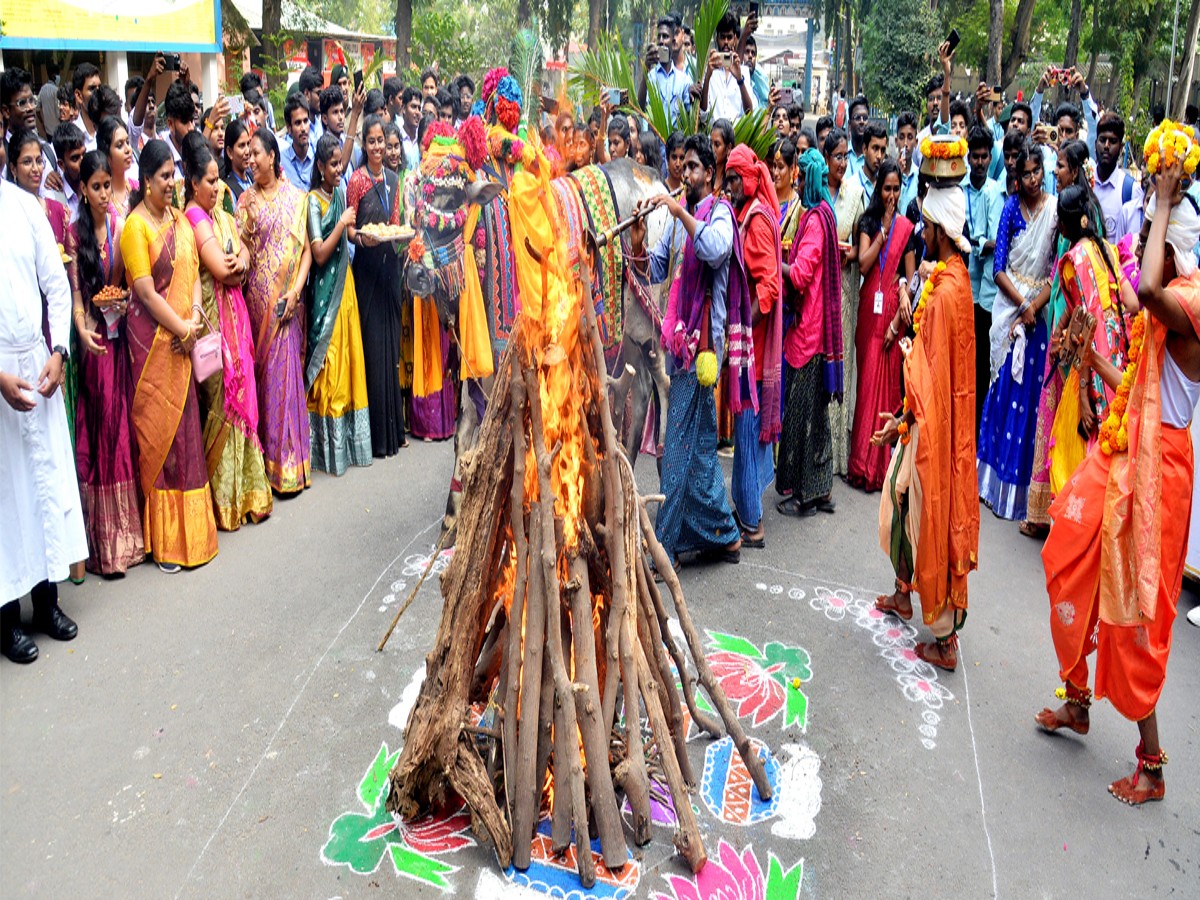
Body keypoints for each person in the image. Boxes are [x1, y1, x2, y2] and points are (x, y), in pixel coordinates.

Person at [1037, 152, 1200, 806]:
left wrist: (1160, 201)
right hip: (1123, 449)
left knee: (1133, 615)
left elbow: (1146, 294)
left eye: (1152, 247)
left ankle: (1152, 764)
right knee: (1067, 553)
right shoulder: (1169, 306)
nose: (1138, 258)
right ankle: (1077, 698)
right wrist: (1093, 357)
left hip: (1156, 471)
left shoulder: (1187, 308)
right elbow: (1134, 381)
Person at [871, 181, 979, 671]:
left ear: (941, 230)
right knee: (901, 504)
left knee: (918, 515)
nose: (921, 235)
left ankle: (944, 641)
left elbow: (927, 372)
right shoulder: (955, 279)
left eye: (927, 228)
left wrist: (902, 417)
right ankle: (902, 592)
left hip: (931, 424)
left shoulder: (941, 296)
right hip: (936, 420)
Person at [630, 134, 748, 566]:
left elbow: (715, 251)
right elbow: (656, 269)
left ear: (710, 173)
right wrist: (641, 241)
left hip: (702, 352)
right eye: (685, 167)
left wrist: (680, 213)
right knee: (697, 448)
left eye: (696, 167)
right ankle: (725, 535)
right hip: (677, 344)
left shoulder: (720, 215)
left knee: (677, 447)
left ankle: (666, 546)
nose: (688, 174)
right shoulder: (684, 220)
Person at [0, 174, 88, 663]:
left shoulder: (24, 205)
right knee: (7, 503)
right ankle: (7, 620)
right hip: (1, 373)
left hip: (37, 363)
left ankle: (47, 604)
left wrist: (58, 350)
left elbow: (56, 286)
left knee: (44, 489)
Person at [120, 139, 219, 572]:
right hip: (153, 346)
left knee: (187, 435)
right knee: (160, 438)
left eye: (172, 174)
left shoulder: (179, 220)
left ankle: (194, 537)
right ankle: (165, 542)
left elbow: (194, 272)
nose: (172, 183)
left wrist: (194, 314)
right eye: (164, 177)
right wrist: (180, 328)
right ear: (145, 182)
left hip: (183, 337)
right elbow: (143, 290)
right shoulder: (135, 228)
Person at [182, 134, 273, 530]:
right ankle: (226, 502)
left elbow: (245, 253)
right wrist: (236, 263)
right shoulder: (195, 218)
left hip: (235, 318)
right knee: (222, 404)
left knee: (243, 400)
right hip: (214, 329)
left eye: (220, 179)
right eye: (210, 180)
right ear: (193, 183)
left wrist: (240, 260)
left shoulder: (220, 213)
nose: (218, 187)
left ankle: (251, 495)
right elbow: (221, 269)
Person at [66, 150, 144, 576]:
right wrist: (82, 330)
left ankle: (128, 540)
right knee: (101, 431)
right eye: (93, 187)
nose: (101, 194)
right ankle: (103, 546)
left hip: (119, 337)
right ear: (83, 189)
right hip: (95, 341)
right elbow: (77, 297)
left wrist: (124, 300)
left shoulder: (120, 226)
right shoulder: (76, 236)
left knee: (122, 428)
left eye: (103, 187)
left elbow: (130, 284)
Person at [977, 141, 1057, 522]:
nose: (1031, 179)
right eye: (1024, 174)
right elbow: (999, 267)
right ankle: (993, 487)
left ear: (1044, 171)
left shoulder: (1053, 212)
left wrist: (1036, 307)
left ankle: (1023, 496)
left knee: (1029, 402)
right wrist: (1021, 307)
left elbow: (1055, 272)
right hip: (1010, 311)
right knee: (1003, 392)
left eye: (1036, 172)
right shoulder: (1011, 208)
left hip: (1038, 319)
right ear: (1016, 176)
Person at [1025, 140, 1098, 535]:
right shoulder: (1088, 235)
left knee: (1056, 426)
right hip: (1074, 344)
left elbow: (1081, 303)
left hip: (1074, 353)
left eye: (1060, 167)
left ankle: (1047, 517)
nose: (1055, 172)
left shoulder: (1077, 253)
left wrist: (1064, 337)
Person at [238, 129, 313, 494]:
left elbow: (306, 252)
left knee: (285, 382)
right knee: (264, 382)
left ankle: (289, 467)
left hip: (286, 303)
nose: (250, 160)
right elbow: (246, 247)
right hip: (256, 306)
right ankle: (267, 466)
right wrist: (238, 258)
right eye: (248, 154)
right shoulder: (245, 200)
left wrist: (296, 292)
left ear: (272, 156)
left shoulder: (295, 199)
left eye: (256, 153)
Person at [776, 147, 842, 516]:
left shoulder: (815, 220)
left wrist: (776, 262)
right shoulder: (823, 215)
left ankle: (804, 496)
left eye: (800, 176)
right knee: (817, 416)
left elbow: (800, 274)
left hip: (808, 332)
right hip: (816, 330)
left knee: (801, 414)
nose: (797, 182)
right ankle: (822, 490)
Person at [725, 143, 783, 547]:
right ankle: (748, 508)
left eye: (733, 178)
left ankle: (752, 522)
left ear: (748, 179)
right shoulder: (747, 214)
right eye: (727, 177)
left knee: (745, 432)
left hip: (753, 347)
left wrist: (745, 327)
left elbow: (770, 286)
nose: (728, 185)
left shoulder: (757, 221)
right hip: (748, 343)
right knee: (745, 433)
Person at [306, 134, 373, 474]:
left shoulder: (341, 194)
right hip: (325, 289)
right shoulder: (313, 202)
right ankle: (326, 451)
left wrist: (363, 235)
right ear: (319, 167)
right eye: (332, 165)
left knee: (347, 359)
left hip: (344, 287)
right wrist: (343, 222)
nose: (337, 170)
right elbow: (319, 254)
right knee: (330, 364)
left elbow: (350, 235)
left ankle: (348, 446)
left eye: (340, 165)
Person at [848, 159, 916, 491]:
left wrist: (899, 311)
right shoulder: (870, 221)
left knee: (888, 389)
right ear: (879, 189)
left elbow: (911, 276)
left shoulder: (908, 227)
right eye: (886, 188)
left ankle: (882, 470)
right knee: (867, 390)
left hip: (892, 317)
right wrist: (883, 231)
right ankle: (861, 464)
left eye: (896, 189)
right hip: (868, 314)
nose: (891, 194)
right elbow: (863, 264)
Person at [346, 115, 407, 456]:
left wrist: (401, 239)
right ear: (364, 145)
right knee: (373, 353)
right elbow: (350, 228)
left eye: (381, 141)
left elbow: (395, 225)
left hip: (390, 271)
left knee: (392, 353)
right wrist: (362, 239)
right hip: (367, 272)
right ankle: (374, 439)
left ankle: (393, 432)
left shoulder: (394, 180)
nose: (377, 147)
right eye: (371, 142)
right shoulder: (357, 181)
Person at [824, 127, 865, 477]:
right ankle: (816, 452)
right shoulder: (817, 190)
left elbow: (861, 243)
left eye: (846, 156)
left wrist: (850, 254)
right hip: (818, 290)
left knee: (842, 367)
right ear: (826, 158)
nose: (842, 162)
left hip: (845, 289)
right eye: (837, 156)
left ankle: (837, 455)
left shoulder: (855, 193)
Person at [964, 125, 1005, 425]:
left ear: (990, 157)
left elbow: (995, 241)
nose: (979, 162)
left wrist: (975, 242)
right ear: (967, 158)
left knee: (983, 365)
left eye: (983, 157)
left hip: (989, 294)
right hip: (965, 289)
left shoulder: (995, 192)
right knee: (965, 363)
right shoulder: (959, 189)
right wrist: (981, 243)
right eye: (974, 157)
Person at [1093, 112, 1142, 242]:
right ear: (1095, 144)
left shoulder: (1130, 190)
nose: (1106, 146)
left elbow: (1132, 247)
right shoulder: (1085, 183)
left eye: (1113, 141)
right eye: (1102, 140)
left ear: (1121, 148)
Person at [700, 11, 755, 123]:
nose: (725, 42)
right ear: (717, 38)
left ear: (735, 39)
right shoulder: (708, 70)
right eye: (722, 37)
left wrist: (740, 80)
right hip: (713, 137)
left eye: (729, 37)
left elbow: (749, 112)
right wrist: (707, 77)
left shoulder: (743, 71)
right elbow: (703, 114)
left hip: (736, 137)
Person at [640, 16, 692, 128]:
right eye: (659, 37)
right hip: (653, 143)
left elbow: (690, 116)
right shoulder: (650, 77)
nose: (661, 41)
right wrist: (646, 67)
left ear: (673, 43)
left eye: (665, 36)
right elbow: (640, 106)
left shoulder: (683, 80)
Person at [97, 116, 137, 218]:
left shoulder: (137, 187)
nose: (128, 149)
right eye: (119, 145)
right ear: (106, 154)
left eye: (127, 142)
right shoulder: (102, 199)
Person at [772, 139, 802, 250]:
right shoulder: (765, 196)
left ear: (792, 169)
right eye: (774, 166)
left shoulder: (798, 205)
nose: (775, 173)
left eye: (780, 167)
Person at [281, 95, 314, 191]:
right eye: (298, 123)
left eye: (306, 121)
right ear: (289, 127)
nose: (303, 128)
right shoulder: (281, 162)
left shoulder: (319, 157)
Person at [71, 62, 102, 150]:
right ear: (78, 95)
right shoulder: (71, 136)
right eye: (92, 88)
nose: (98, 93)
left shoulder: (112, 130)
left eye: (99, 87)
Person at [222, 119, 253, 204]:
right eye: (241, 146)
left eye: (248, 144)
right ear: (230, 152)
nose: (247, 151)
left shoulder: (253, 177)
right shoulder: (227, 190)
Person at [710, 118, 733, 198]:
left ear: (728, 148)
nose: (712, 149)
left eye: (717, 144)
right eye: (711, 143)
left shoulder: (732, 181)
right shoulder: (705, 174)